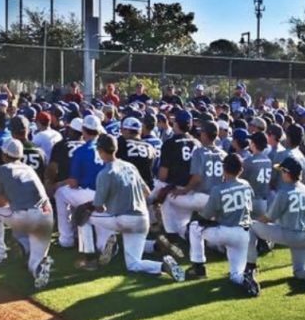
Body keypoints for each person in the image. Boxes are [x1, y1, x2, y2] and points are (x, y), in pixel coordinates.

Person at [76, 133, 184, 279]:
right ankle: (158, 254)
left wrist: (91, 206)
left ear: (101, 151)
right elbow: (147, 192)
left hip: (122, 220)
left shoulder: (105, 173)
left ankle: (89, 257)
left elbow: (99, 206)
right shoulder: (130, 166)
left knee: (83, 217)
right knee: (133, 263)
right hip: (142, 219)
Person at [0, 138, 54, 289]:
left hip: (26, 217)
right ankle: (39, 267)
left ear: (4, 155)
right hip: (47, 217)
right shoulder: (29, 169)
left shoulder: (0, 170)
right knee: (34, 262)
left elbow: (0, 201)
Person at [246, 157, 305, 292]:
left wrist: (254, 221)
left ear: (287, 173)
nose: (281, 174)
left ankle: (250, 266)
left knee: (250, 226)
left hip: (289, 234)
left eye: (282, 171)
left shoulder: (284, 192)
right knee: (299, 271)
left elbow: (268, 218)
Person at [185, 153, 259, 296]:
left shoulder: (218, 189)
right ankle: (245, 279)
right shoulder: (247, 185)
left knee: (194, 227)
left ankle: (198, 267)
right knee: (235, 275)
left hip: (224, 232)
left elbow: (205, 216)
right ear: (241, 170)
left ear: (224, 169)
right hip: (244, 234)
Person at [161, 119, 226, 238]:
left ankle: (172, 232)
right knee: (207, 227)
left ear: (205, 134)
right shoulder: (223, 154)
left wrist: (183, 190)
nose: (200, 134)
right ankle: (189, 231)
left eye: (202, 132)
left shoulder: (199, 152)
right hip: (218, 199)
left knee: (167, 196)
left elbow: (197, 178)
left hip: (201, 198)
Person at [54, 115, 104, 249]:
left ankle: (66, 239)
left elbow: (73, 183)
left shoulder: (81, 151)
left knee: (60, 193)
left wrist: (59, 184)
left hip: (88, 195)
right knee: (102, 245)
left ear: (83, 130)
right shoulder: (107, 149)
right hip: (108, 196)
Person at [242, 131, 274, 218]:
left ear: (253, 144)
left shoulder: (248, 161)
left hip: (249, 201)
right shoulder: (269, 161)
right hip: (263, 202)